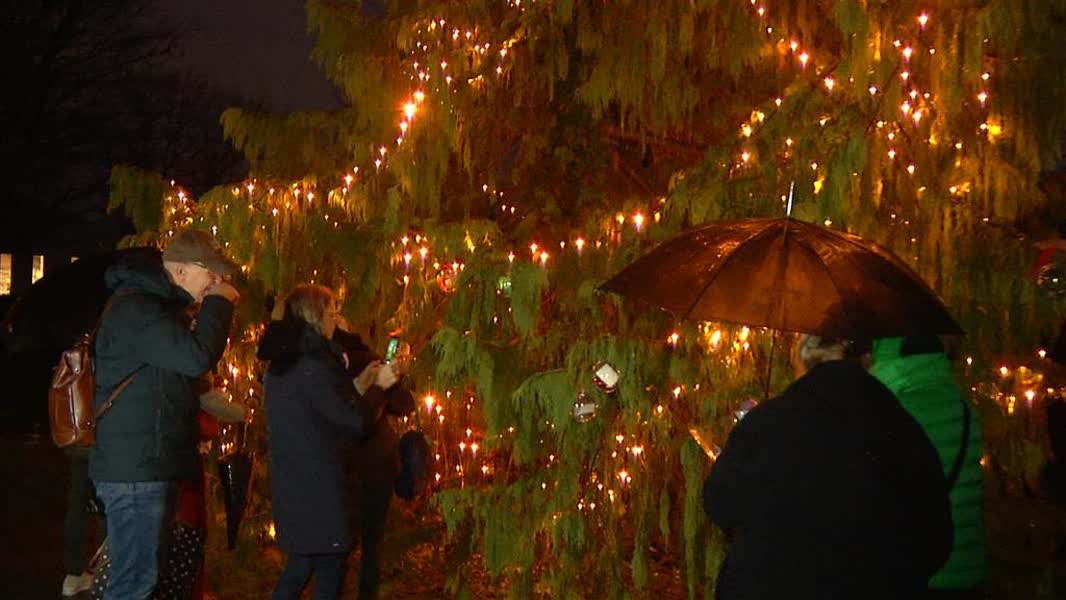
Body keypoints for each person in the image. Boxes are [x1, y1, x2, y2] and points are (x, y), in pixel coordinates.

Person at [703, 334, 953, 600]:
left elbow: (720, 505)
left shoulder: (767, 421)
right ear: (867, 360)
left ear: (803, 358)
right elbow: (936, 540)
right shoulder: (904, 429)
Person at [89, 229, 239, 599]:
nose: (215, 283)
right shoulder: (139, 309)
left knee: (142, 579)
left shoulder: (154, 308)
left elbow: (176, 376)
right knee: (133, 583)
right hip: (136, 470)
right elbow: (196, 357)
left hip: (146, 464)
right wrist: (220, 304)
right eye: (211, 275)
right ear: (182, 270)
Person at [258, 285, 391, 600]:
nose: (337, 320)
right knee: (328, 572)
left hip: (298, 486)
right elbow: (356, 421)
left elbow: (323, 409)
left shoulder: (288, 361)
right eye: (331, 313)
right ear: (314, 317)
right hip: (320, 490)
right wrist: (380, 388)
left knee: (300, 566)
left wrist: (360, 384)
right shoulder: (313, 365)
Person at [870, 336, 988, 598]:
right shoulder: (964, 407)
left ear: (890, 358)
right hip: (967, 566)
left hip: (921, 570)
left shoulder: (897, 412)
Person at [333, 327, 415, 599]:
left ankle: (334, 589)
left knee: (342, 543)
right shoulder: (367, 361)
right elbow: (404, 404)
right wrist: (389, 384)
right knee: (371, 542)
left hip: (348, 465)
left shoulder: (325, 364)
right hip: (376, 462)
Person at [61, 447, 104, 597]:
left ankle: (73, 575)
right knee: (107, 507)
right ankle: (103, 571)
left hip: (80, 444)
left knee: (77, 503)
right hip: (110, 446)